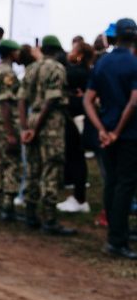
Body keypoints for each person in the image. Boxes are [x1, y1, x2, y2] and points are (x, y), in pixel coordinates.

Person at [83, 18, 137, 259]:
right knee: (126, 184)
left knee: (112, 183)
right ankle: (118, 240)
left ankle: (116, 233)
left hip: (106, 134)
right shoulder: (133, 63)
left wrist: (102, 129)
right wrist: (117, 131)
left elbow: (88, 100)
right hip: (129, 135)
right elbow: (134, 101)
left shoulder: (102, 62)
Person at [18, 35, 76, 236]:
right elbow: (51, 101)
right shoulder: (57, 68)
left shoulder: (31, 68)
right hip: (50, 124)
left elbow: (22, 99)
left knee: (32, 169)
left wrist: (25, 127)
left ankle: (30, 214)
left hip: (31, 119)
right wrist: (36, 128)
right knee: (51, 168)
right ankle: (49, 219)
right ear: (57, 51)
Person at [0, 40, 21, 222]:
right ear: (11, 53)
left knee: (0, 160)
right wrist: (10, 132)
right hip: (4, 117)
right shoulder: (7, 72)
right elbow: (6, 101)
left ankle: (0, 203)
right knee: (11, 161)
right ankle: (8, 206)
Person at [60, 41, 95, 214]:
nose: (70, 53)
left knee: (76, 157)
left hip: (75, 119)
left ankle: (79, 198)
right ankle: (77, 193)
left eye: (73, 50)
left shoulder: (75, 72)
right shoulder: (88, 71)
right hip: (82, 119)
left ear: (80, 55)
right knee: (77, 157)